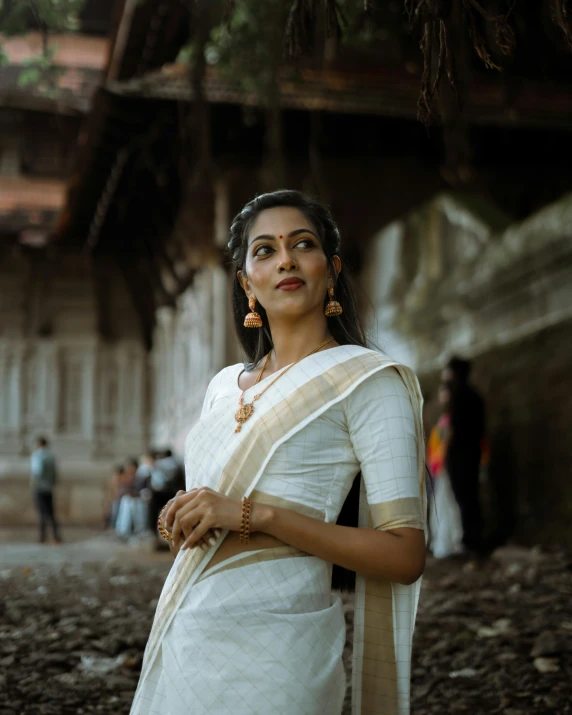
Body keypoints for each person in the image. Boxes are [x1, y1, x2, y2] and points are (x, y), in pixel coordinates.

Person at [130, 190, 427, 715]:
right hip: (190, 633)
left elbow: (404, 555)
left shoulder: (368, 381)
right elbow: (213, 510)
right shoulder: (223, 387)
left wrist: (255, 515)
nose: (285, 259)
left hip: (279, 650)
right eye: (264, 250)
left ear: (331, 270)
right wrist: (184, 515)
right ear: (247, 283)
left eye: (302, 244)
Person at [442, 356, 486, 555]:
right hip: (472, 454)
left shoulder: (458, 397)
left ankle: (470, 541)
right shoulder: (476, 396)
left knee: (463, 497)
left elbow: (452, 430)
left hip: (460, 456)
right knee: (470, 497)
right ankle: (473, 539)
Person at [427, 385, 463, 558]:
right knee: (442, 505)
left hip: (446, 469)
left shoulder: (450, 421)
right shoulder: (443, 421)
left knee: (448, 505)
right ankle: (445, 541)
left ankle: (450, 542)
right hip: (440, 470)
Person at [30, 436, 61, 544]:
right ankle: (56, 537)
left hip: (39, 488)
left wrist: (34, 484)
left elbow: (37, 472)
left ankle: (42, 537)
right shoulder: (51, 456)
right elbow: (55, 474)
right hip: (49, 488)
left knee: (42, 513)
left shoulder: (37, 455)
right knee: (51, 513)